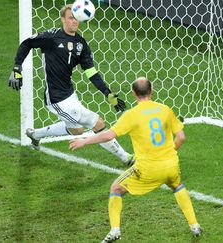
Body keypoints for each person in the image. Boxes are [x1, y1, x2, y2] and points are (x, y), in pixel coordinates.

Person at [69, 77, 203, 242]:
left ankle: (115, 230)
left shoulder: (131, 115)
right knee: (176, 185)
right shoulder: (165, 109)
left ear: (133, 94)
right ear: (151, 91)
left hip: (147, 169)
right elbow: (181, 137)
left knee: (116, 189)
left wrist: (84, 141)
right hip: (171, 165)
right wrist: (168, 152)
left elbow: (109, 135)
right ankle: (195, 225)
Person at [8, 4, 134, 165]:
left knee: (77, 130)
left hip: (69, 94)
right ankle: (126, 158)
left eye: (76, 18)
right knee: (97, 123)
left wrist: (107, 93)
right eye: (70, 18)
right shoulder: (51, 37)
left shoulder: (81, 44)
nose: (74, 21)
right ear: (63, 19)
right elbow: (27, 43)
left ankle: (35, 134)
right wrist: (17, 67)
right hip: (56, 97)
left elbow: (91, 72)